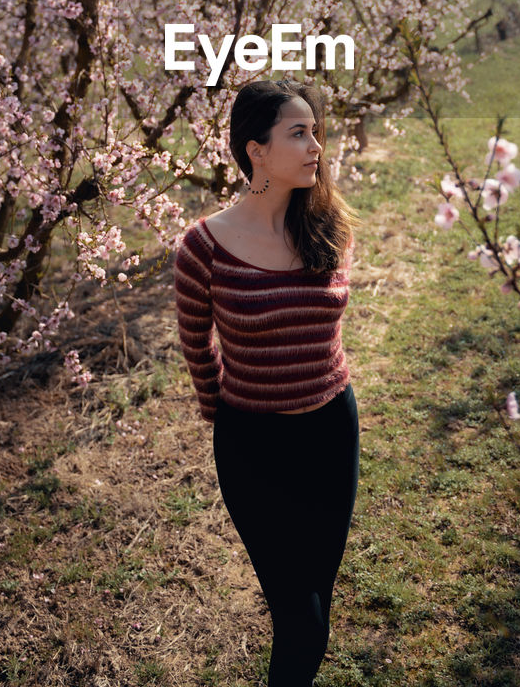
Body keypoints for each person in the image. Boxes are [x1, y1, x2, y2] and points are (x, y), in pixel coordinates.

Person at [173, 78, 359, 687]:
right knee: (299, 615)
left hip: (333, 431)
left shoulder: (327, 224)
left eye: (317, 133)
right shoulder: (203, 246)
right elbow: (196, 342)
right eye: (299, 134)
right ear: (256, 150)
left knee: (315, 604)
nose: (316, 148)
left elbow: (324, 326)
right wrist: (223, 409)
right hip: (254, 447)